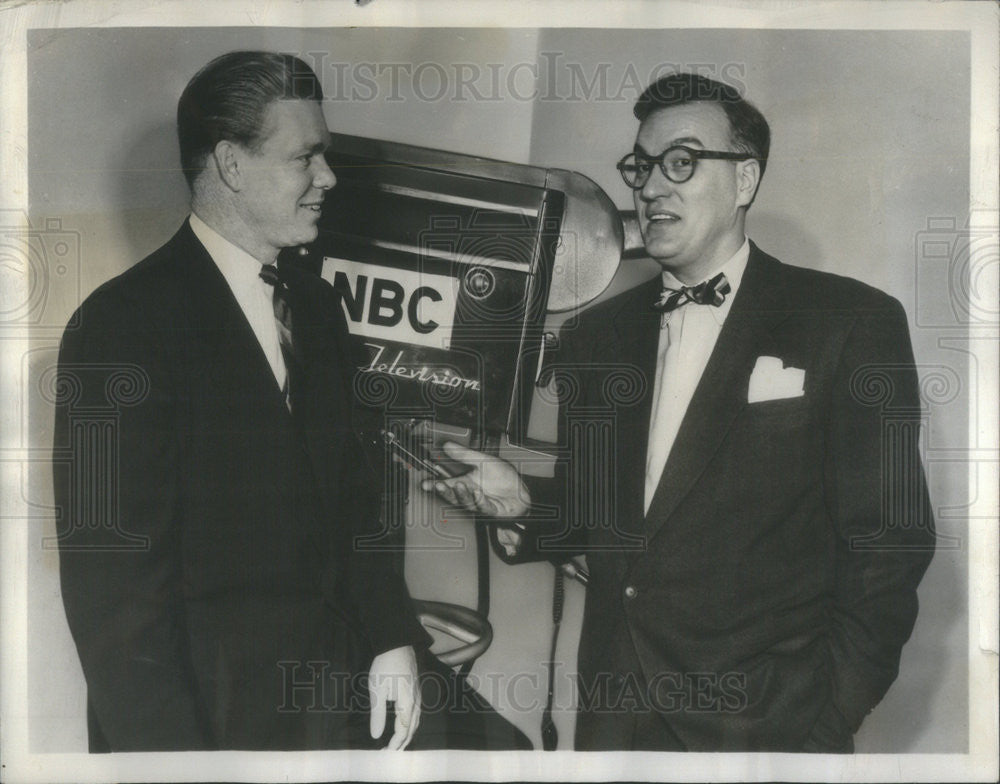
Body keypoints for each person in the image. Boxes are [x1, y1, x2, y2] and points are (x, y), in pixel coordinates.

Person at [425, 73, 936, 752]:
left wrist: (825, 720)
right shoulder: (596, 339)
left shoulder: (848, 323)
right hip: (617, 724)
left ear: (745, 179)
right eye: (642, 165)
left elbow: (889, 544)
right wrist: (519, 498)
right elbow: (614, 517)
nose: (651, 186)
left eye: (682, 163)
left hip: (767, 733)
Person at [53, 51, 427, 752]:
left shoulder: (317, 307)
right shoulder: (119, 327)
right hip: (203, 726)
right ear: (230, 164)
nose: (329, 178)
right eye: (305, 158)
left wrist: (391, 641)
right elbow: (114, 598)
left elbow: (353, 496)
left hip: (330, 702)